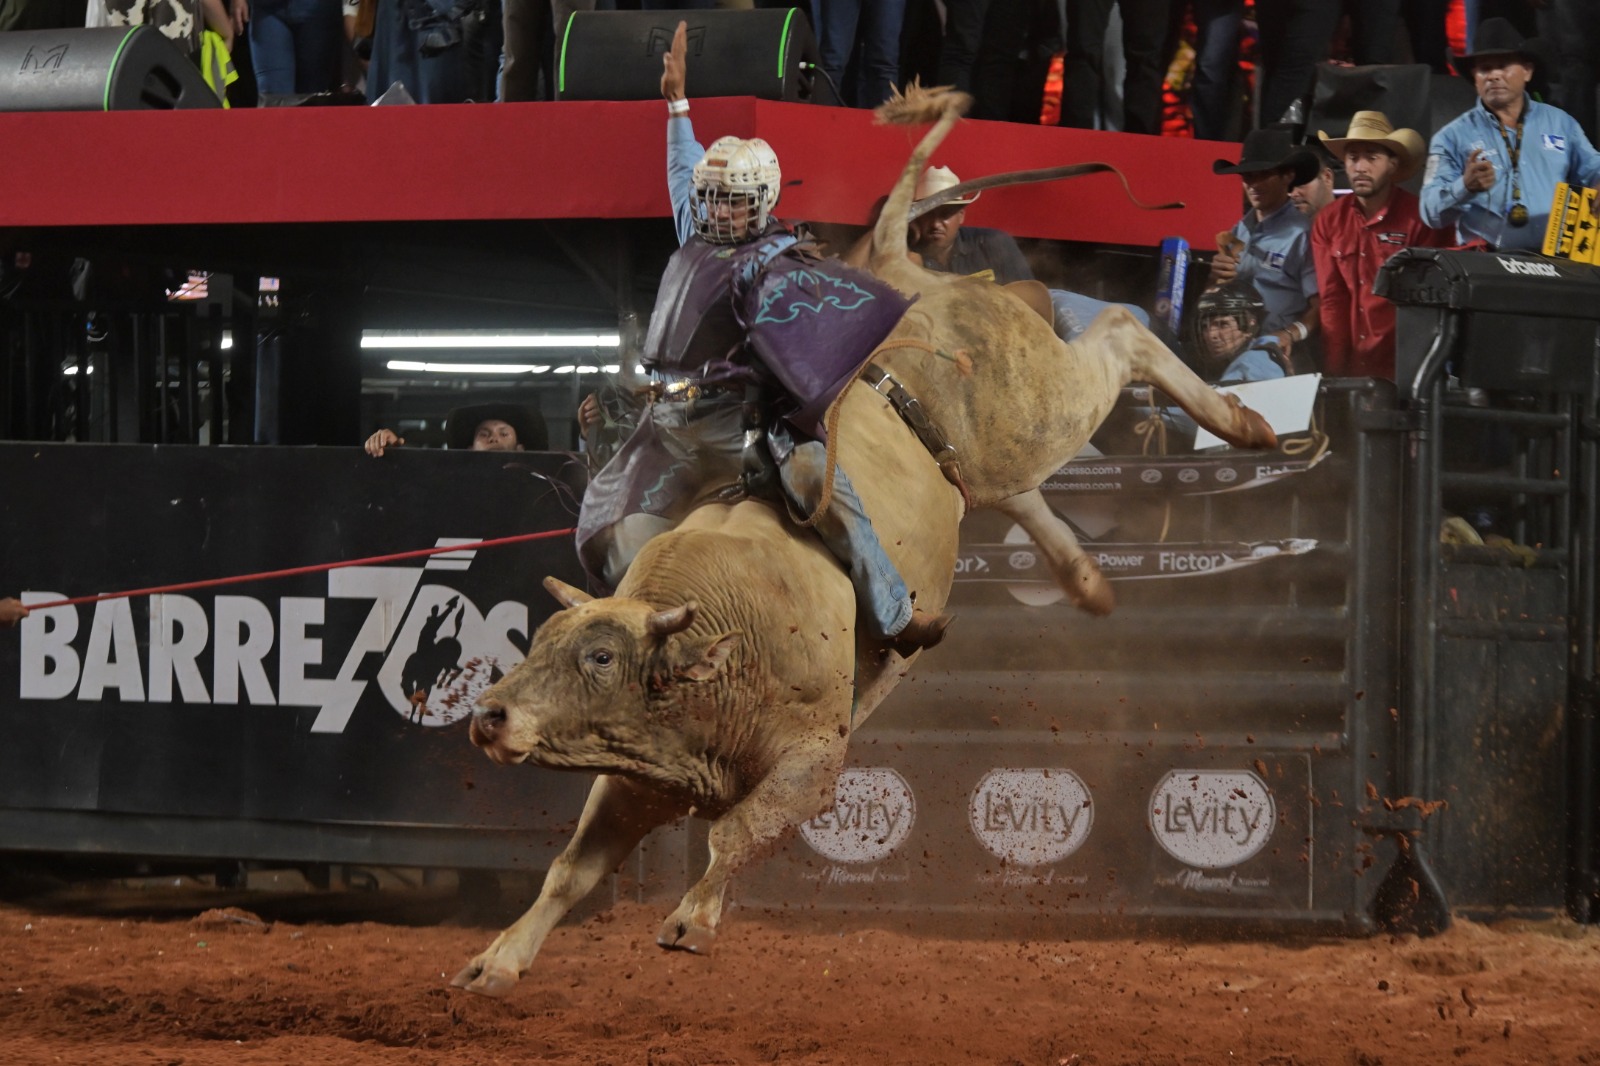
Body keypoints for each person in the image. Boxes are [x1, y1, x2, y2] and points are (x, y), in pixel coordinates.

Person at [577, 21, 950, 655]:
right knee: (602, 515)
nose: (719, 211)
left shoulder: (779, 261)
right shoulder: (695, 232)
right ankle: (615, 623)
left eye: (733, 201)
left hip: (742, 429)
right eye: (714, 199)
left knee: (828, 495)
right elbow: (681, 168)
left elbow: (810, 338)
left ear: (761, 201)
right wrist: (677, 104)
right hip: (668, 423)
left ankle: (891, 613)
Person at [909, 165, 1151, 340]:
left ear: (961, 215)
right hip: (948, 344)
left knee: (1062, 303)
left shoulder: (993, 243)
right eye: (929, 214)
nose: (936, 223)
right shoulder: (906, 261)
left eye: (945, 214)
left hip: (1012, 337)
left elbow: (1032, 303)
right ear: (917, 218)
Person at [1421, 18, 1600, 252]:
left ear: (1527, 71)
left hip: (1558, 263)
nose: (1494, 75)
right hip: (1489, 266)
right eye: (1485, 68)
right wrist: (1464, 186)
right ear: (1475, 78)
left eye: (1504, 65)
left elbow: (1593, 167)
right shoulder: (1450, 138)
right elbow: (1429, 212)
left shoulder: (1560, 123)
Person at [1313, 111, 1456, 379]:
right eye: (1353, 157)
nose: (1361, 167)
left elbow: (1432, 305)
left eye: (1372, 157)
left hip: (1407, 367)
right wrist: (1333, 373)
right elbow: (1332, 299)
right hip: (1354, 366)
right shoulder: (1328, 221)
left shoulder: (1421, 218)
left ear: (1392, 164)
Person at [1209, 128, 1321, 362]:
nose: (1254, 184)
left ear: (1287, 176)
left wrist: (1290, 334)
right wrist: (1214, 278)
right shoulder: (1237, 231)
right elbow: (1216, 290)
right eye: (1248, 177)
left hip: (1282, 353)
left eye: (1264, 174)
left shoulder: (1303, 234)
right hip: (1233, 349)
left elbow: (1321, 305)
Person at [365, 401, 547, 456]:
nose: (494, 438)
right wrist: (393, 451)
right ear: (470, 448)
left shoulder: (539, 488)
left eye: (504, 433)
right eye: (484, 434)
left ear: (520, 448)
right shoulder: (450, 482)